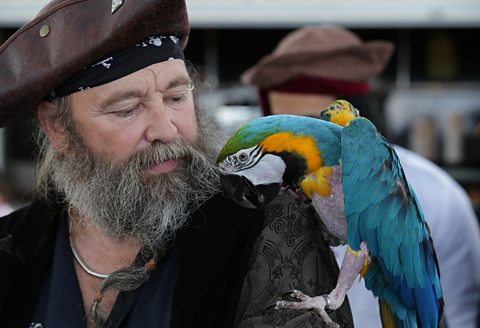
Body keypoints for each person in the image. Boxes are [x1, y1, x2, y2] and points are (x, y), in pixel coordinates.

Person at [0, 2, 353, 328]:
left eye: (176, 98)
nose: (166, 130)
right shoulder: (12, 249)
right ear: (59, 129)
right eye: (127, 109)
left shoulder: (266, 228)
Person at [241, 26, 480, 328]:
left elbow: (460, 316)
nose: (296, 153)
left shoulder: (439, 197)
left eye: (310, 128)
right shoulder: (268, 194)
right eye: (282, 135)